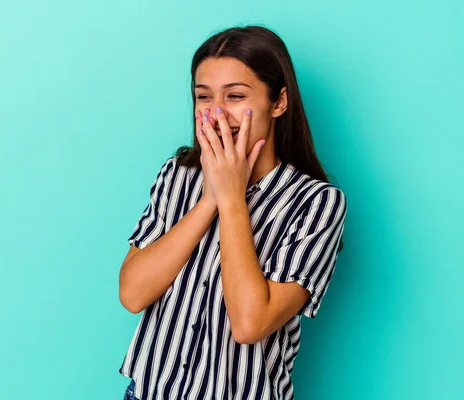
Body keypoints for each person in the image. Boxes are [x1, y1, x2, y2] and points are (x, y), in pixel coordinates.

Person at [118, 25, 348, 400]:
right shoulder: (177, 175)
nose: (218, 113)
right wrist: (209, 199)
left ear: (279, 102)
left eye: (236, 95)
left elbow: (249, 323)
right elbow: (132, 293)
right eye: (203, 97)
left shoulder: (317, 203)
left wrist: (231, 199)